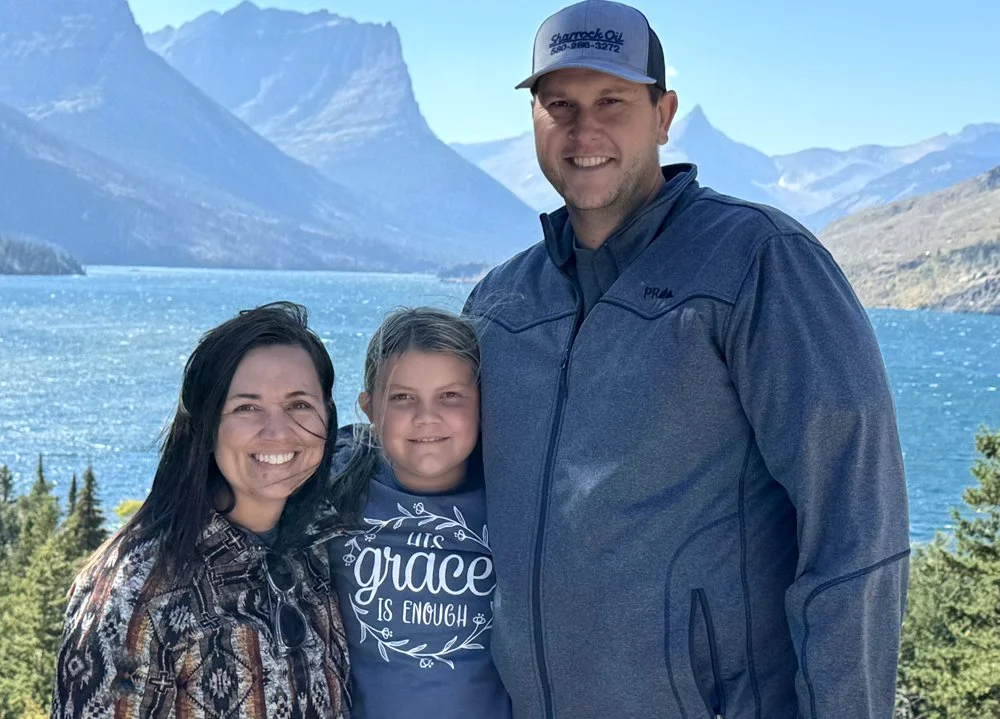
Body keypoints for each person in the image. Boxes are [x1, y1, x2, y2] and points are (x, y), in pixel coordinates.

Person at [463, 2, 911, 718]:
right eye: (560, 105)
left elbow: (854, 530)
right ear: (535, 120)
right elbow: (434, 476)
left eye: (612, 101)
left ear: (664, 115)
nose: (584, 129)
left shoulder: (761, 262)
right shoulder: (499, 302)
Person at [52, 302, 349, 718]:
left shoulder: (323, 545)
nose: (278, 431)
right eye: (247, 407)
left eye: (299, 404)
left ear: (327, 417)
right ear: (205, 426)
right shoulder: (137, 591)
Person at [325, 307, 511, 719]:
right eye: (402, 398)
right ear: (369, 409)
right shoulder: (336, 487)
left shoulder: (513, 502)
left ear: (483, 405)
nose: (427, 417)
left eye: (450, 396)